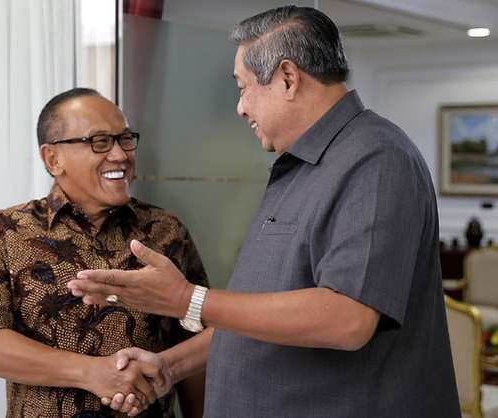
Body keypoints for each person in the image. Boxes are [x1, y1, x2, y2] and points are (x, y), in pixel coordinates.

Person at [67, 6, 461, 418]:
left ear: (288, 78)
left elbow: (347, 319)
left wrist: (188, 300)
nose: (240, 108)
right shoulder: (299, 165)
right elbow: (268, 316)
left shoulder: (376, 158)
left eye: (243, 87)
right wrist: (171, 366)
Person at [0, 88, 209, 418]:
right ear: (52, 159)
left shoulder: (166, 230)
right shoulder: (4, 230)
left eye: (125, 139)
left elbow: (197, 340)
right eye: (100, 142)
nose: (120, 155)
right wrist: (93, 373)